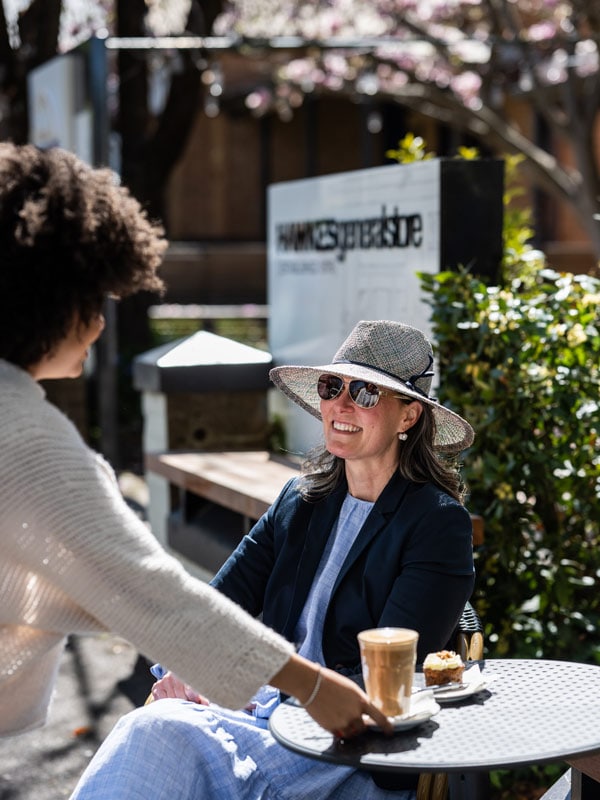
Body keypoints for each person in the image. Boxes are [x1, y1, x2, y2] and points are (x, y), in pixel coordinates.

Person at [0, 143, 392, 741]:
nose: (102, 324)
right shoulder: (28, 439)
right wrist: (312, 686)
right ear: (46, 300)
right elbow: (151, 589)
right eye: (93, 300)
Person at [70, 319, 476, 800]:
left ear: (408, 417)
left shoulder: (437, 525)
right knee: (153, 729)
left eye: (366, 393)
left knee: (157, 736)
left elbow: (383, 682)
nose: (341, 406)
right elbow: (218, 602)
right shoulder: (301, 500)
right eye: (333, 386)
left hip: (344, 749)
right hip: (264, 713)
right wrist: (181, 666)